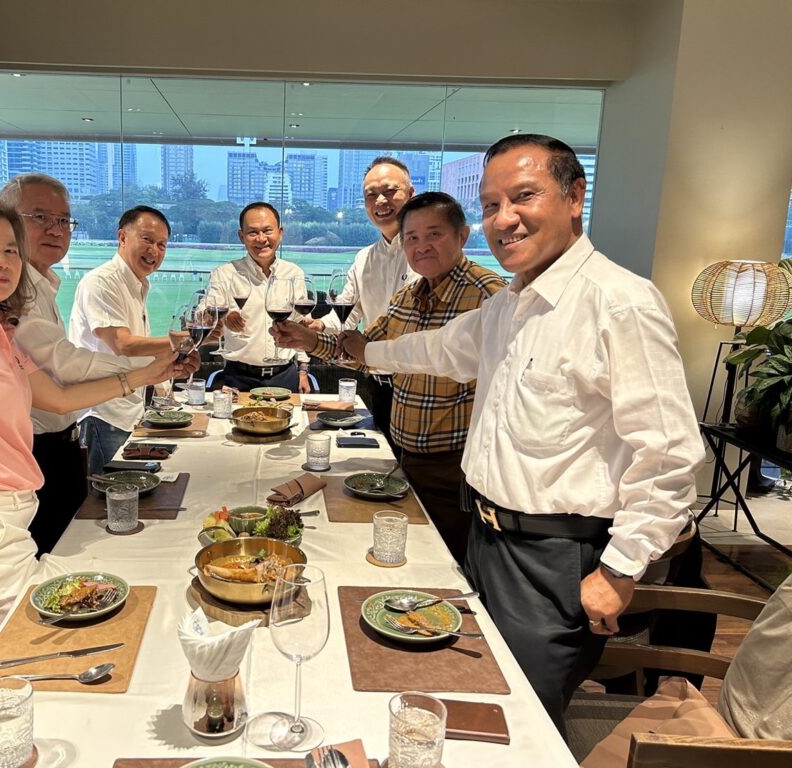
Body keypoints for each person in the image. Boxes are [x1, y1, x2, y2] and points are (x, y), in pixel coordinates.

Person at [340, 135, 705, 734]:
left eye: (523, 196)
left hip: (551, 558)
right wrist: (362, 352)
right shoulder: (509, 307)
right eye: (491, 205)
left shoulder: (619, 302)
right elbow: (435, 350)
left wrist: (621, 568)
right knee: (470, 694)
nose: (503, 219)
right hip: (484, 540)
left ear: (575, 197)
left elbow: (669, 455)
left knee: (520, 723)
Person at [0, 194, 187, 648]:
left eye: (11, 250)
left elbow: (59, 399)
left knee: (33, 646)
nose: (3, 262)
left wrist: (145, 376)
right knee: (76, 638)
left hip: (3, 522)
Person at [274, 193, 504, 561]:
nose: (421, 246)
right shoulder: (408, 297)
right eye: (412, 237)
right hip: (404, 459)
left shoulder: (489, 297)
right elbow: (366, 352)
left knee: (448, 563)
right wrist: (311, 341)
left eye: (434, 234)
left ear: (462, 236)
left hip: (455, 469)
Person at [0, 175, 164, 555]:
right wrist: (154, 365)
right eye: (40, 217)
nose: (55, 230)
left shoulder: (41, 285)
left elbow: (55, 387)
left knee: (74, 542)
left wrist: (150, 374)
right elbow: (68, 364)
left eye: (63, 221)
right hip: (33, 449)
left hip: (62, 440)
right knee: (63, 548)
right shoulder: (8, 296)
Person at [310, 157, 418, 451]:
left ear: (411, 194)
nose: (380, 201)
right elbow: (346, 314)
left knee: (415, 469)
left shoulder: (426, 255)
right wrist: (317, 325)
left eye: (389, 191)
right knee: (384, 462)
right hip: (378, 383)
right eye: (371, 195)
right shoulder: (364, 258)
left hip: (420, 388)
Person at [68, 206, 180, 478]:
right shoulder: (101, 282)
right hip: (103, 412)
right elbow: (123, 344)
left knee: (131, 489)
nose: (154, 251)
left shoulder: (137, 285)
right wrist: (181, 342)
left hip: (129, 410)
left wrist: (164, 388)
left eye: (162, 245)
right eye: (147, 239)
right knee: (109, 494)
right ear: (122, 237)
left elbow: (140, 349)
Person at [207, 202, 311, 394]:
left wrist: (303, 370)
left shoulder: (294, 273)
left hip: (285, 375)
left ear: (280, 233)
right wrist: (223, 316)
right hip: (237, 377)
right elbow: (205, 310)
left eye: (267, 231)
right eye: (253, 232)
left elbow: (301, 325)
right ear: (241, 237)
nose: (261, 239)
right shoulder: (225, 274)